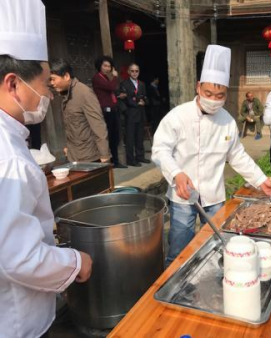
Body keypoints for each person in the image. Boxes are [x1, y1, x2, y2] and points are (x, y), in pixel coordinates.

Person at [0, 1, 92, 337]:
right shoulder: (6, 156)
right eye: (42, 84)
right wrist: (76, 263)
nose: (48, 95)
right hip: (16, 320)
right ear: (13, 84)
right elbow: (16, 258)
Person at [152, 45, 271, 266]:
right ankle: (171, 284)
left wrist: (260, 179)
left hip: (213, 195)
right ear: (198, 87)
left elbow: (237, 154)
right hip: (183, 195)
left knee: (217, 245)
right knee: (179, 249)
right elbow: (160, 150)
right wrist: (177, 173)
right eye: (208, 94)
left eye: (220, 95)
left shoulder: (226, 120)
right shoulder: (178, 116)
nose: (213, 99)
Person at [49, 59, 111, 163]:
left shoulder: (84, 93)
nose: (51, 83)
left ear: (66, 76)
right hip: (75, 155)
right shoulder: (65, 94)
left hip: (90, 157)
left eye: (53, 79)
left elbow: (98, 125)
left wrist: (104, 155)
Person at [92, 56, 127, 168]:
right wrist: (115, 77)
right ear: (100, 66)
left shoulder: (106, 78)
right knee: (108, 136)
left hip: (113, 109)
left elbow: (109, 91)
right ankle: (111, 161)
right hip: (105, 111)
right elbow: (111, 87)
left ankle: (115, 161)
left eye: (109, 66)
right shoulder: (97, 77)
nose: (107, 68)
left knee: (115, 137)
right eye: (105, 66)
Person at [119, 63, 150, 167]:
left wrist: (144, 102)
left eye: (136, 71)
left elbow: (145, 97)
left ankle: (140, 156)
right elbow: (126, 99)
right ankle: (131, 160)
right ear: (128, 72)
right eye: (132, 71)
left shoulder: (142, 84)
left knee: (139, 137)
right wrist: (137, 102)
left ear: (139, 72)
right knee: (130, 138)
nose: (134, 73)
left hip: (141, 114)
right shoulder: (124, 83)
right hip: (130, 114)